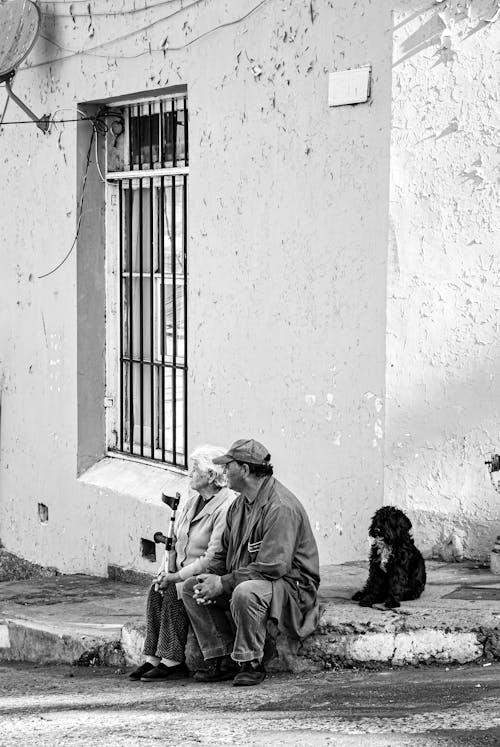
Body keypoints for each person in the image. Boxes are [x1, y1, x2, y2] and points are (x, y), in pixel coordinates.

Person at [181, 438, 320, 687]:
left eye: (229, 465)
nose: (224, 471)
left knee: (245, 591)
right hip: (253, 577)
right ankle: (221, 656)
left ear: (244, 470)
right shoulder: (239, 505)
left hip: (288, 586)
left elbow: (274, 567)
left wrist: (223, 583)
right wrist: (211, 578)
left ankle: (251, 661)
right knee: (192, 587)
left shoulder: (280, 507)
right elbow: (223, 554)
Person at [129, 445, 235, 682]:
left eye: (195, 469)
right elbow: (177, 540)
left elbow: (212, 558)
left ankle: (172, 660)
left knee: (175, 591)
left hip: (208, 572)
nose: (190, 474)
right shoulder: (193, 501)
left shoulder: (226, 505)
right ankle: (153, 658)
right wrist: (166, 571)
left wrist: (176, 577)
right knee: (156, 590)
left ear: (211, 475)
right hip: (183, 568)